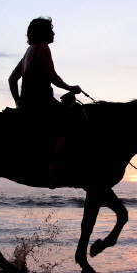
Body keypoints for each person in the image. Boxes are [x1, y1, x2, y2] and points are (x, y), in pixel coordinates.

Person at [8, 17, 82, 185]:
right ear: (42, 32)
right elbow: (52, 76)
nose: (53, 33)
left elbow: (12, 80)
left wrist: (19, 102)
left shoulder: (28, 51)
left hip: (28, 103)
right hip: (41, 103)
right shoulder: (43, 47)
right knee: (74, 118)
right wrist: (71, 88)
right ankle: (55, 167)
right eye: (50, 30)